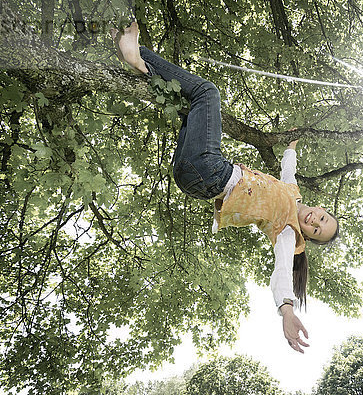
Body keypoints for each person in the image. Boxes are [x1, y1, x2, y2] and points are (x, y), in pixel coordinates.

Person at [111, 22, 339, 353]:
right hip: (191, 176)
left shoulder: (287, 232)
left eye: (317, 231)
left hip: (210, 174)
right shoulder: (292, 194)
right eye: (323, 218)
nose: (315, 222)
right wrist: (291, 146)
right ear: (320, 209)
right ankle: (138, 62)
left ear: (308, 239)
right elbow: (289, 171)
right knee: (193, 108)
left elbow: (281, 273)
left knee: (207, 93)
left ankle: (137, 55)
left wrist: (286, 310)